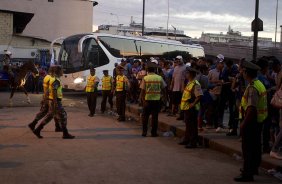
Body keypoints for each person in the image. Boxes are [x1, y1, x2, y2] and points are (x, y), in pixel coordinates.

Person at [234, 60, 267, 182]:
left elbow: (251, 109)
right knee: (255, 147)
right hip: (258, 121)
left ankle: (247, 173)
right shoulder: (258, 84)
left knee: (247, 148)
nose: (241, 72)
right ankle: (253, 168)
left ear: (247, 72)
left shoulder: (253, 87)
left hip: (251, 122)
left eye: (242, 71)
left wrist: (243, 124)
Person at [32, 65, 75, 139]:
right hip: (55, 101)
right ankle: (65, 133)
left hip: (52, 100)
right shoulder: (56, 80)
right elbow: (54, 91)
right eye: (61, 70)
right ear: (58, 71)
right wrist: (55, 102)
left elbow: (49, 90)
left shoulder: (54, 79)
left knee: (49, 116)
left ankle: (38, 130)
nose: (63, 72)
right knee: (63, 116)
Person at [28, 66, 62, 132]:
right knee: (52, 112)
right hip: (49, 98)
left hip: (47, 97)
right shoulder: (52, 78)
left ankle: (57, 126)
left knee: (46, 112)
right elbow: (49, 90)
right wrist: (46, 99)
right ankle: (35, 125)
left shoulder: (47, 77)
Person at [140, 62, 166, 137]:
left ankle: (144, 132)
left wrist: (143, 101)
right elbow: (164, 89)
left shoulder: (145, 78)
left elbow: (142, 91)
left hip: (147, 100)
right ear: (154, 70)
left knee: (145, 117)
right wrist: (164, 98)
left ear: (147, 70)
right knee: (155, 117)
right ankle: (153, 133)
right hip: (156, 101)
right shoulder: (159, 77)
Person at [179, 67, 203, 148]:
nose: (186, 74)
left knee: (192, 126)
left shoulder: (195, 84)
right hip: (187, 108)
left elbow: (199, 96)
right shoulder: (189, 82)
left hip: (191, 108)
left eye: (187, 73)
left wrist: (193, 104)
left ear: (191, 74)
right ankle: (187, 139)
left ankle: (193, 142)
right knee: (188, 125)